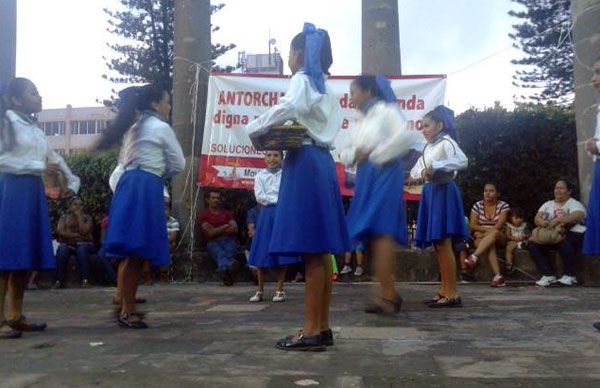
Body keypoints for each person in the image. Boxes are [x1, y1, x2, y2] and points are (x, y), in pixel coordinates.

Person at [246, 23, 349, 351]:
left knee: (311, 253)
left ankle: (310, 330)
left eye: (290, 52)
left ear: (301, 54)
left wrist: (255, 125)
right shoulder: (326, 89)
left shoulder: (302, 80)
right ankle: (323, 325)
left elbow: (286, 108)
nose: (288, 57)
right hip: (321, 163)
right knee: (320, 252)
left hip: (305, 162)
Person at [95, 84, 185, 329]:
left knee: (129, 252)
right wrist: (157, 172)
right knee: (135, 253)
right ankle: (128, 309)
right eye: (167, 100)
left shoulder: (132, 127)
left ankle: (125, 303)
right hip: (146, 186)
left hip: (128, 184)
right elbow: (178, 164)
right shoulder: (160, 128)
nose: (169, 105)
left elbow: (125, 162)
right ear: (155, 104)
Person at [0, 78, 80, 339]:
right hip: (11, 190)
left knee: (24, 257)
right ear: (16, 100)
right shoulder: (6, 123)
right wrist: (38, 169)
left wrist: (72, 181)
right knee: (6, 256)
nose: (39, 95)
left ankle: (15, 315)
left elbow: (52, 158)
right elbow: (3, 160)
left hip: (31, 191)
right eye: (32, 92)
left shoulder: (34, 129)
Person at [342, 74, 419, 314]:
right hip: (366, 175)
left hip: (385, 171)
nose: (351, 98)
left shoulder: (387, 111)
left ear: (368, 92)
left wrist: (374, 153)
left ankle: (387, 295)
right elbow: (346, 151)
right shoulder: (361, 121)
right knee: (372, 232)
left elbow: (405, 138)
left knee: (381, 229)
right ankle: (388, 291)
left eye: (354, 92)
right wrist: (356, 154)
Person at [409, 105, 468, 308]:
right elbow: (417, 170)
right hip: (431, 192)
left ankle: (452, 293)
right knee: (438, 245)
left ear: (439, 125)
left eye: (427, 125)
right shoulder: (427, 147)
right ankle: (444, 290)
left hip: (443, 191)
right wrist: (424, 171)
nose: (423, 129)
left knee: (444, 242)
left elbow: (462, 161)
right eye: (422, 126)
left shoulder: (446, 142)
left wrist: (437, 167)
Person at [248, 151, 300, 303]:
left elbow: (289, 194)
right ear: (264, 158)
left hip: (282, 213)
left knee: (281, 250)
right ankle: (260, 290)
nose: (272, 159)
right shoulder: (260, 176)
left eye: (276, 155)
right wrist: (277, 199)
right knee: (262, 250)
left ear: (282, 158)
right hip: (266, 214)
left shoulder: (286, 175)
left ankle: (280, 289)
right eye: (269, 155)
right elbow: (260, 197)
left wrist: (280, 201)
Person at [530, 180, 586, 287]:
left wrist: (559, 221)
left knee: (566, 241)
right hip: (552, 235)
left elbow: (578, 215)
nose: (557, 190)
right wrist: (543, 222)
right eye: (556, 188)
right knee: (533, 244)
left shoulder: (574, 203)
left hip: (572, 234)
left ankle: (570, 275)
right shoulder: (548, 204)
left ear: (569, 191)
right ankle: (548, 275)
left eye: (561, 188)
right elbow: (537, 218)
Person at [465, 183, 510, 287]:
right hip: (482, 238)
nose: (487, 193)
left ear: (497, 194)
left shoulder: (503, 205)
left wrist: (483, 233)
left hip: (499, 236)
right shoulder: (477, 205)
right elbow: (472, 225)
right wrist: (485, 232)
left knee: (494, 233)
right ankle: (498, 277)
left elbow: (499, 226)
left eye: (491, 191)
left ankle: (474, 256)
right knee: (490, 245)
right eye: (485, 190)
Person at [198, 190, 239, 286]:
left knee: (230, 249)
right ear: (208, 200)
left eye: (218, 198)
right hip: (213, 242)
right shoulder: (204, 215)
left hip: (228, 240)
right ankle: (230, 265)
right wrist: (225, 226)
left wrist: (216, 230)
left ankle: (223, 270)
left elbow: (235, 229)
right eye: (213, 198)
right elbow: (210, 233)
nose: (216, 200)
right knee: (219, 253)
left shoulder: (226, 213)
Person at [53, 197, 95, 288]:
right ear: (70, 206)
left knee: (82, 250)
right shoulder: (64, 218)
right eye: (75, 204)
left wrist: (79, 217)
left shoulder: (88, 218)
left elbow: (84, 231)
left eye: (80, 205)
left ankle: (85, 280)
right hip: (68, 244)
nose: (78, 207)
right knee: (62, 249)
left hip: (85, 245)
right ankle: (58, 281)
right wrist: (79, 236)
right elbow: (60, 232)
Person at [504, 208, 530, 275]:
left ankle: (524, 245)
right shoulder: (509, 226)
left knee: (528, 241)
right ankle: (509, 264)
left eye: (521, 218)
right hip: (514, 241)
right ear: (511, 218)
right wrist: (514, 239)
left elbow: (528, 234)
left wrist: (525, 236)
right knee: (509, 248)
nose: (519, 220)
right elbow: (508, 235)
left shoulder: (524, 225)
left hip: (523, 240)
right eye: (516, 218)